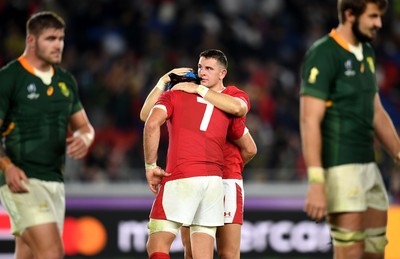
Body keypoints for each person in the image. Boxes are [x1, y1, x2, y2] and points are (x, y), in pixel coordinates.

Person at [300, 0, 397, 258]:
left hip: (370, 168)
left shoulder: (367, 51)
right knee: (350, 252)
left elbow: (376, 111)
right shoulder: (324, 53)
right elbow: (309, 120)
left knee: (376, 250)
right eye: (373, 16)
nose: (379, 23)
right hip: (341, 169)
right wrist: (316, 181)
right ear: (350, 14)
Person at [140, 50, 256, 259]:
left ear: (222, 73)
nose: (202, 72)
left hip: (226, 179)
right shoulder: (185, 95)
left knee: (228, 253)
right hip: (205, 178)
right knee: (191, 250)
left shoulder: (232, 96)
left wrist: (232, 169)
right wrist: (163, 81)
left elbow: (248, 141)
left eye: (209, 68)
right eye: (200, 67)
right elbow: (145, 115)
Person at [0, 11, 94, 259]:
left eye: (61, 39)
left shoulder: (65, 81)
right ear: (31, 41)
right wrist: (6, 166)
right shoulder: (9, 78)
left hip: (54, 181)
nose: (58, 45)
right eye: (50, 39)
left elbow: (85, 127)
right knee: (51, 252)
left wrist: (85, 139)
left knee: (29, 254)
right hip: (21, 180)